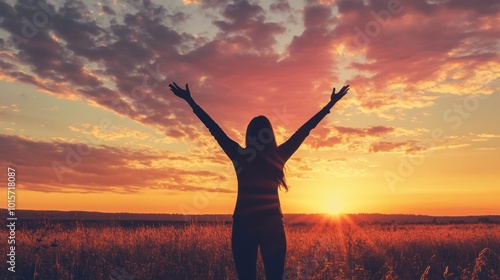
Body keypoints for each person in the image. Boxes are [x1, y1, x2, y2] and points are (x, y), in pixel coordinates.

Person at [169, 82, 349, 280]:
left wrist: (190, 101)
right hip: (271, 225)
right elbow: (304, 131)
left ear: (249, 136)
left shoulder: (241, 156)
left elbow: (214, 129)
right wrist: (329, 105)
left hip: (243, 225)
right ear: (270, 135)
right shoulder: (277, 156)